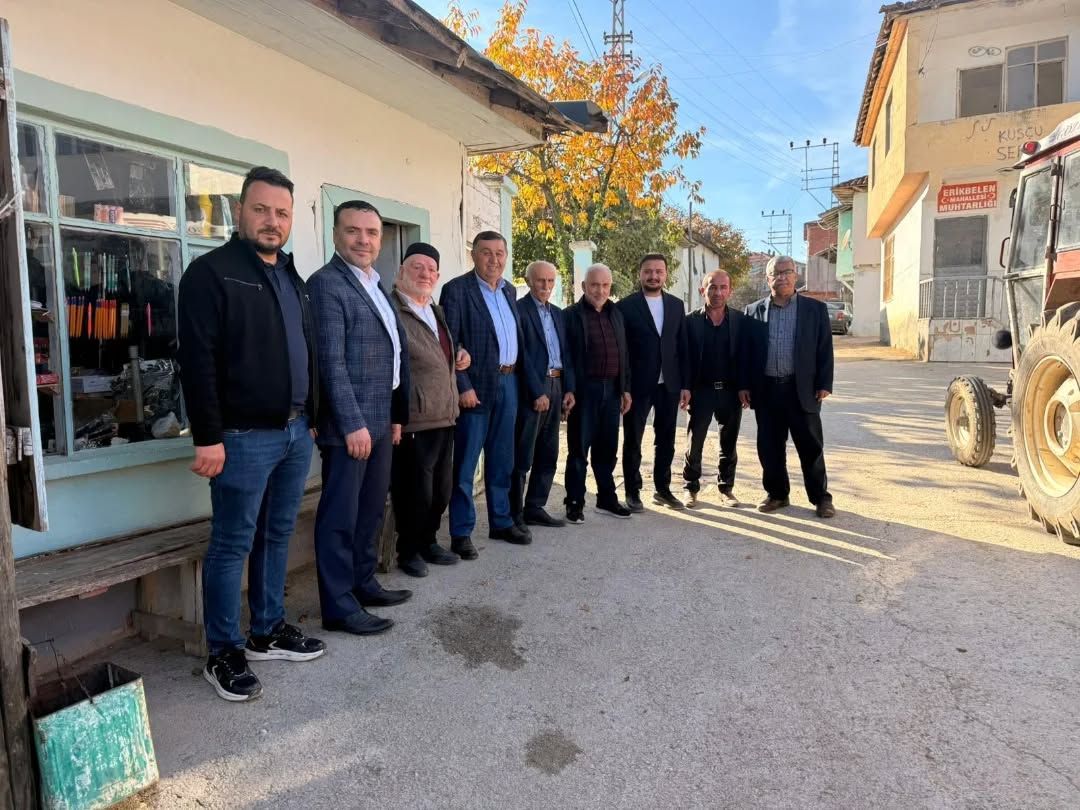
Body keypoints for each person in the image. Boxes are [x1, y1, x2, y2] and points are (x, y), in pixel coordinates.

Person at [178, 166, 325, 703]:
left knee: (277, 534)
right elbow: (197, 362)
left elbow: (307, 352)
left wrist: (312, 415)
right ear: (239, 211)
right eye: (261, 209)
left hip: (294, 433)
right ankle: (223, 651)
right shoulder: (211, 274)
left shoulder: (291, 277)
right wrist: (208, 436)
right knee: (232, 543)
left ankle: (267, 630)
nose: (272, 221)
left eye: (282, 213)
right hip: (240, 438)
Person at [309, 200, 412, 637]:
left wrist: (393, 415)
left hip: (380, 417)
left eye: (371, 232)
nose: (363, 240)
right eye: (353, 231)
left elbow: (391, 354)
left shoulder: (374, 283)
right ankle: (337, 605)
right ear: (336, 234)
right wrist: (352, 423)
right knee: (340, 516)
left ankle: (362, 582)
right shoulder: (326, 285)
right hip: (349, 425)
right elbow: (330, 363)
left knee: (370, 509)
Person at [440, 231, 530, 556]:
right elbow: (449, 341)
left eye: (499, 253)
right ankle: (461, 532)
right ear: (474, 255)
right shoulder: (457, 290)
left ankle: (501, 521)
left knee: (502, 459)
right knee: (466, 464)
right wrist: (462, 385)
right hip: (476, 388)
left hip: (509, 382)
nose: (494, 259)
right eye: (486, 252)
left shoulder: (509, 290)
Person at [389, 242, 472, 577]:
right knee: (415, 491)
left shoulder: (434, 310)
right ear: (401, 272)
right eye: (417, 267)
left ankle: (429, 541)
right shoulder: (392, 310)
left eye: (431, 269)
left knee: (441, 490)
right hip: (415, 418)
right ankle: (408, 549)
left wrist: (459, 352)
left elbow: (440, 350)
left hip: (445, 414)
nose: (425, 274)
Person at [740, 255, 836, 518]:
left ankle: (821, 498)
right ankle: (777, 494)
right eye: (776, 273)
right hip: (767, 390)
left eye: (787, 272)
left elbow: (824, 348)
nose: (781, 277)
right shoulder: (753, 311)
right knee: (769, 446)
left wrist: (824, 383)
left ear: (796, 275)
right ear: (767, 278)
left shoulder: (815, 310)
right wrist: (744, 385)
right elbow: (746, 352)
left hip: (801, 389)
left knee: (810, 447)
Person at [617, 253, 691, 511]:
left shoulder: (676, 305)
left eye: (659, 271)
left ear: (666, 274)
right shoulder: (625, 306)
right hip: (637, 385)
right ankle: (632, 491)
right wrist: (624, 387)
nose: (653, 276)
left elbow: (682, 346)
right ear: (640, 274)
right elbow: (623, 352)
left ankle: (663, 489)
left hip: (669, 384)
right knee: (633, 439)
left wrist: (685, 384)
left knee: (666, 439)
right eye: (648, 271)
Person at [563, 263, 633, 522]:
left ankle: (606, 498)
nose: (600, 290)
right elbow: (566, 357)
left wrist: (625, 389)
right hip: (584, 392)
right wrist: (569, 389)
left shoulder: (616, 314)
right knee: (579, 450)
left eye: (605, 285)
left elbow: (624, 354)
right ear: (584, 286)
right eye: (594, 285)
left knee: (607, 449)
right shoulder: (570, 315)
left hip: (612, 390)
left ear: (610, 287)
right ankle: (574, 501)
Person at [510, 260, 576, 530]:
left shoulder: (558, 313)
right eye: (540, 280)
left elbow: (566, 353)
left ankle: (535, 507)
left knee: (549, 453)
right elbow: (521, 354)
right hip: (533, 389)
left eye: (550, 281)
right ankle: (514, 513)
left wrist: (569, 388)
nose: (546, 286)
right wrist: (537, 391)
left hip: (557, 386)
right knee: (523, 454)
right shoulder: (519, 310)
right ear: (528, 281)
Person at [682, 270, 749, 508]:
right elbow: (684, 357)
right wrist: (685, 387)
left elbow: (745, 356)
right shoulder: (690, 321)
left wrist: (744, 386)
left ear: (730, 291)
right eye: (712, 287)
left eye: (723, 287)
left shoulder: (740, 321)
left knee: (728, 444)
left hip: (731, 392)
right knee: (695, 442)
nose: (717, 292)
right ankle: (690, 488)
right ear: (703, 290)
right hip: (701, 391)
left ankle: (726, 489)